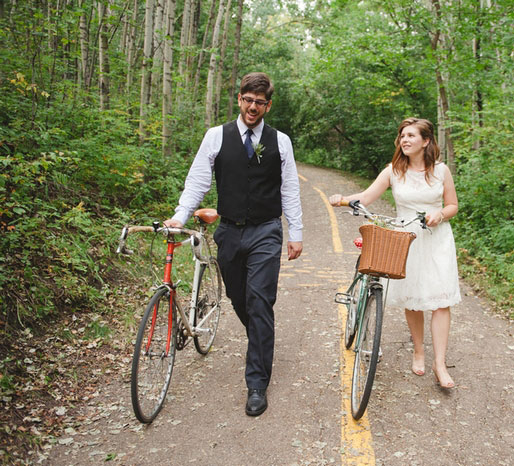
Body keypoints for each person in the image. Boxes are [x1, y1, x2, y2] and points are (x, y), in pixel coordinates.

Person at [164, 72, 303, 415]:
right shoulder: (216, 136)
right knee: (238, 298)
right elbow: (198, 179)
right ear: (239, 99)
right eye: (248, 99)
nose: (253, 106)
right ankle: (261, 336)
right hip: (228, 231)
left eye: (260, 102)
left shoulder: (279, 141)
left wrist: (295, 232)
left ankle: (256, 384)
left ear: (268, 105)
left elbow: (289, 189)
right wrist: (180, 216)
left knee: (259, 301)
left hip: (266, 232)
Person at [329, 117, 460, 389]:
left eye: (411, 135)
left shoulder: (441, 171)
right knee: (412, 299)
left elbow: (453, 205)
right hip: (406, 239)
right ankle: (419, 350)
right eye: (402, 136)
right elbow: (365, 198)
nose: (405, 140)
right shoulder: (393, 171)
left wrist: (440, 213)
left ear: (426, 141)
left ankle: (440, 364)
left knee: (441, 300)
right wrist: (341, 199)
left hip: (437, 240)